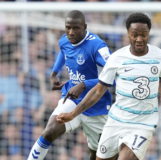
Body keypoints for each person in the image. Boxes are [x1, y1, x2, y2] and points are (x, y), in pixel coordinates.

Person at [56, 12, 161, 160]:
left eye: (143, 35)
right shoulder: (116, 58)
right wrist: (73, 114)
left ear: (149, 33)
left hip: (143, 123)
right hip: (116, 120)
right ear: (128, 34)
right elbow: (98, 90)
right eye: (135, 35)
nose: (139, 39)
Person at [27, 10, 112, 160]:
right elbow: (63, 52)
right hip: (72, 100)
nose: (71, 32)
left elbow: (113, 78)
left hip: (96, 106)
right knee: (49, 131)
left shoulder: (98, 46)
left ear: (85, 27)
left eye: (76, 28)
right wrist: (54, 72)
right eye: (68, 27)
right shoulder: (65, 40)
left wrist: (83, 84)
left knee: (97, 154)